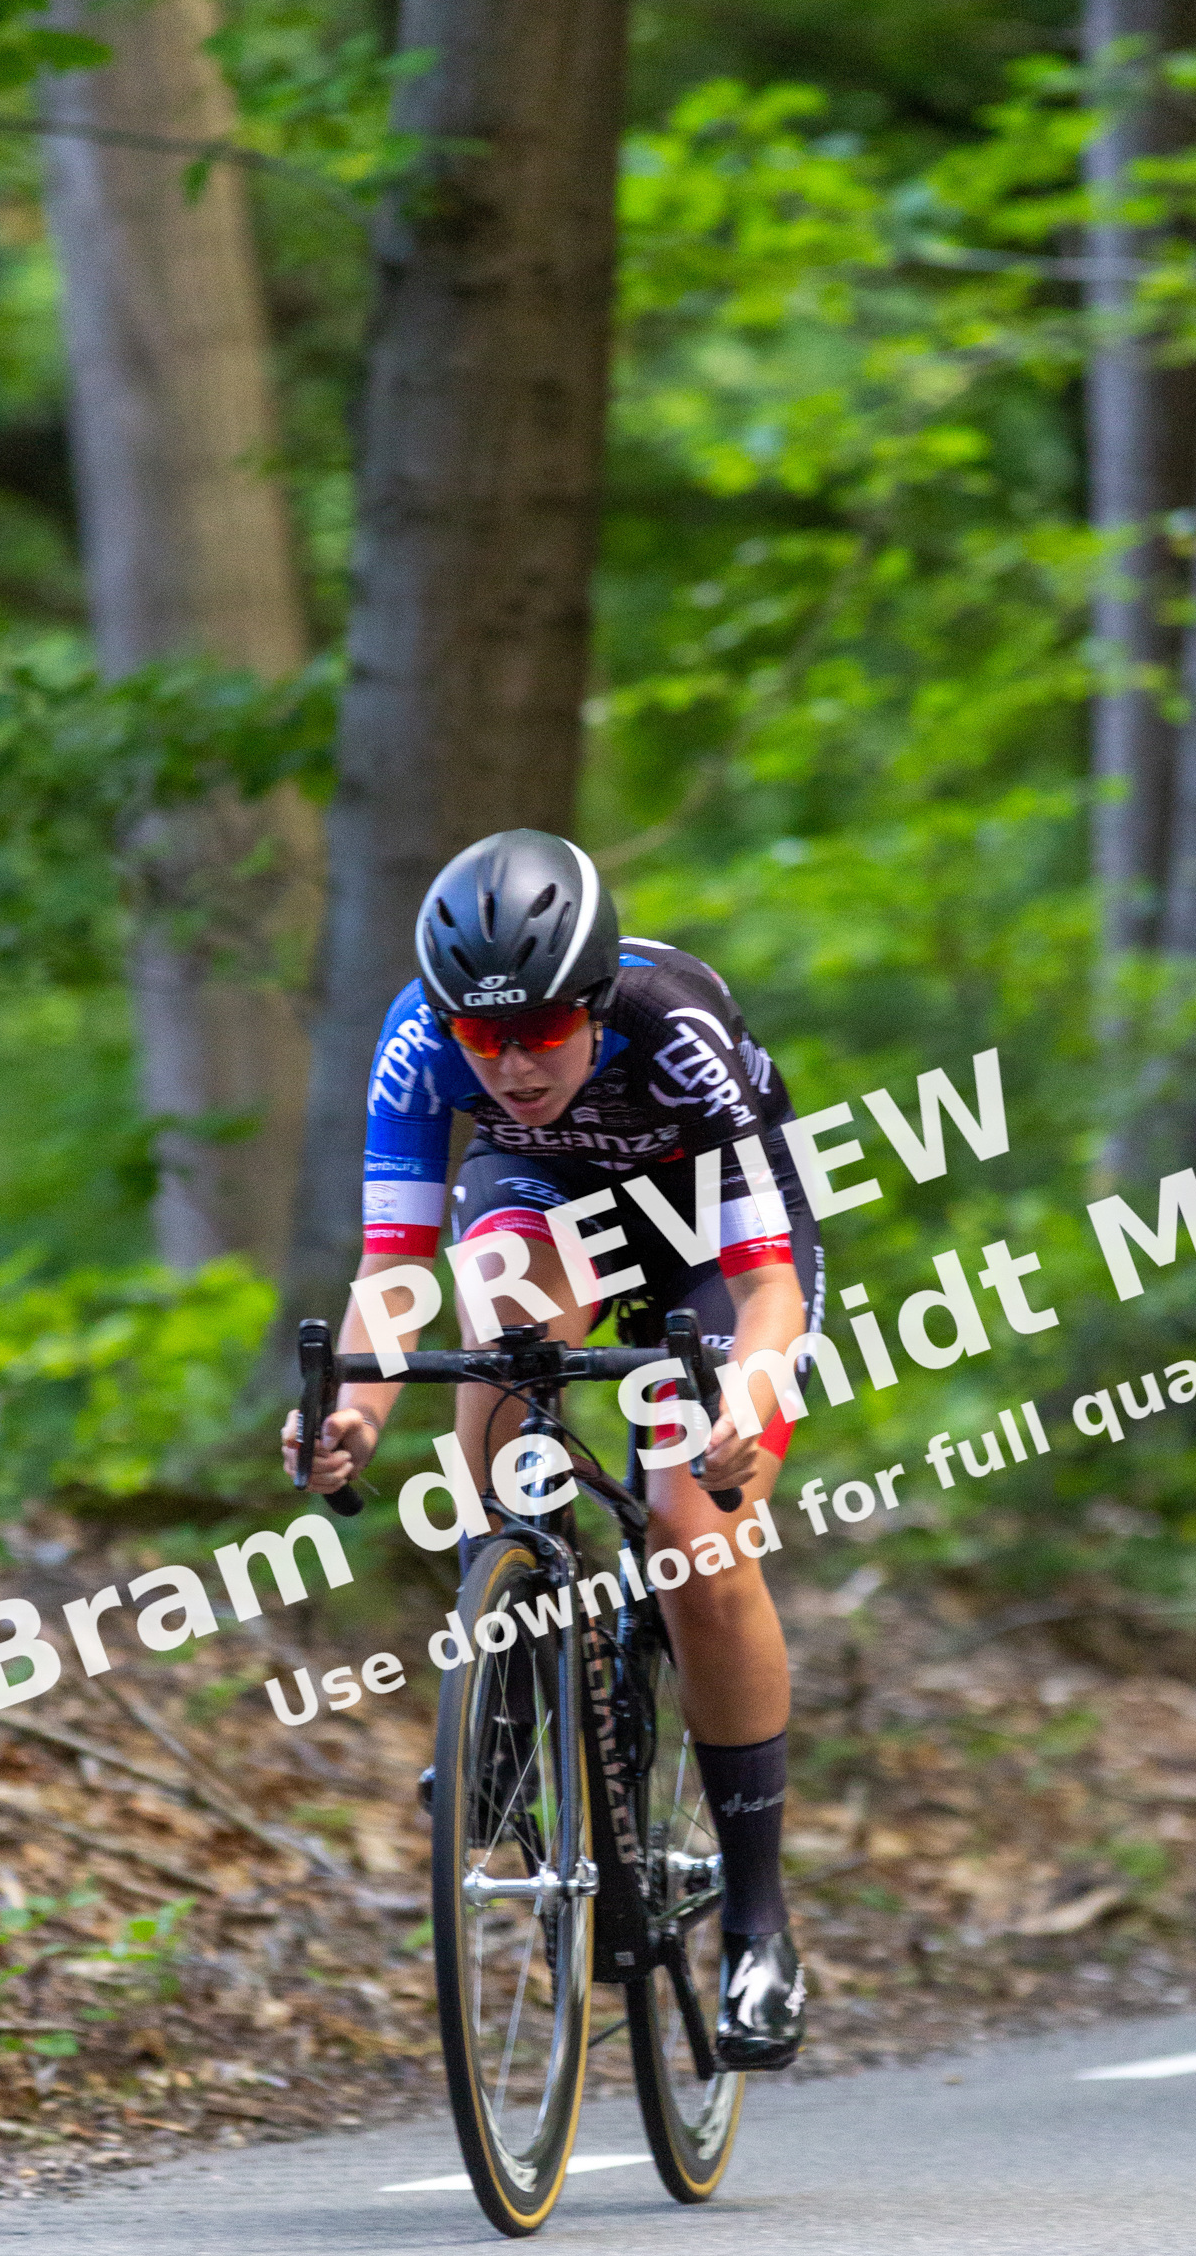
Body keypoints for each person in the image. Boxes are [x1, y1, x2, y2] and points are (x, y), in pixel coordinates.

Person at [285, 828, 819, 2070]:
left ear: (592, 1002)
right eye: (485, 1038)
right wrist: (355, 1412)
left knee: (693, 1539)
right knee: (500, 1334)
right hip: (543, 1196)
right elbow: (392, 1271)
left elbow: (769, 1293)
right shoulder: (419, 1040)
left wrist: (744, 1404)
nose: (513, 1065)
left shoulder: (675, 1025)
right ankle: (515, 1649)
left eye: (539, 1033)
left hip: (712, 1233)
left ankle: (758, 1925)